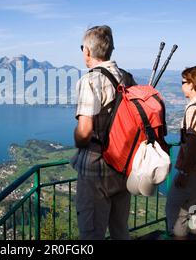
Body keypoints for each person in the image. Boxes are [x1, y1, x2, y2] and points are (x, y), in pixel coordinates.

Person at [71, 25, 136, 240]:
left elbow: (85, 130)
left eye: (82, 47)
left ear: (87, 51)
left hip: (95, 170)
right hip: (123, 165)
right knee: (120, 230)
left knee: (91, 235)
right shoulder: (127, 78)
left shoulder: (90, 80)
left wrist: (78, 139)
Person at [166, 66, 196, 240]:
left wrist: (184, 172)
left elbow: (194, 143)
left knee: (175, 211)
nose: (181, 86)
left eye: (183, 82)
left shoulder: (194, 109)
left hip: (193, 172)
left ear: (192, 84)